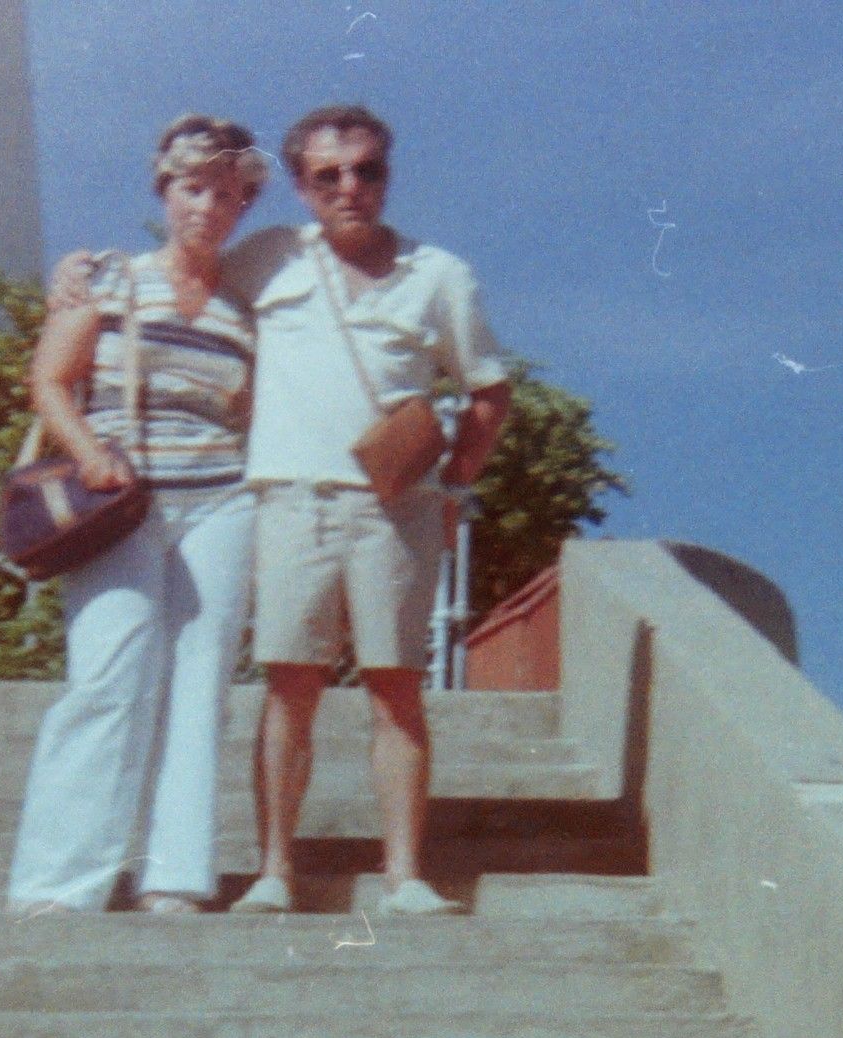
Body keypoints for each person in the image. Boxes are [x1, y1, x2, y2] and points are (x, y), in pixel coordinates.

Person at [52, 103, 513, 914]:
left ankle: (406, 877)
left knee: (395, 689)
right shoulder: (267, 256)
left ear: (387, 175)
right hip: (286, 500)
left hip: (392, 506)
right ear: (299, 187)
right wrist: (78, 274)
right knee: (288, 687)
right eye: (328, 174)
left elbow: (489, 393)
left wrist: (452, 486)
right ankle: (273, 873)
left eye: (367, 169)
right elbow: (178, 270)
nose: (350, 187)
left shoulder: (440, 274)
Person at [7, 115, 265, 917]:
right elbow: (50, 380)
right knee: (109, 676)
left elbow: (253, 410)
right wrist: (88, 452)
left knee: (200, 685)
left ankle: (175, 876)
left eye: (227, 194)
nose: (209, 207)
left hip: (224, 501)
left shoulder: (246, 305)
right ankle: (58, 882)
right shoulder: (111, 278)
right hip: (121, 503)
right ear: (164, 190)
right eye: (194, 189)